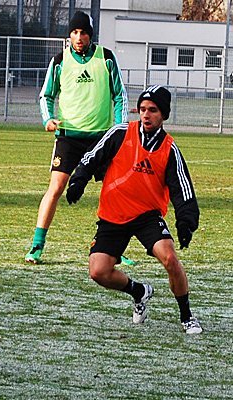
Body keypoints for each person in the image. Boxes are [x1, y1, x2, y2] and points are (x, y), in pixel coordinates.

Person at [66, 85, 202, 334]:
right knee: (98, 272)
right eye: (142, 109)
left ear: (164, 115)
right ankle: (139, 291)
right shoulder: (120, 133)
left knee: (170, 259)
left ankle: (187, 316)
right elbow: (90, 157)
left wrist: (186, 221)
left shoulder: (169, 149)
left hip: (146, 216)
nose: (146, 115)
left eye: (153, 110)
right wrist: (78, 181)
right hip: (113, 214)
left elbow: (182, 189)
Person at [25, 11, 130, 265]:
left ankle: (115, 248)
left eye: (83, 32)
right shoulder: (60, 60)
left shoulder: (106, 58)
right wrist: (48, 119)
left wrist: (119, 129)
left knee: (114, 191)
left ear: (90, 35)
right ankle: (37, 245)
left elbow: (120, 95)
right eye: (74, 32)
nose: (79, 37)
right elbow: (46, 95)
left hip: (101, 138)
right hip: (68, 138)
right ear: (69, 35)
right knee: (56, 188)